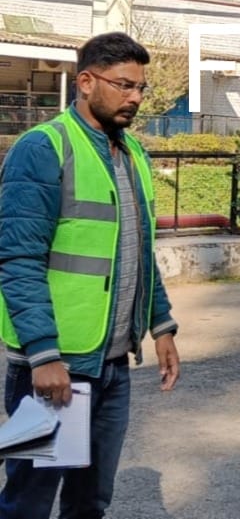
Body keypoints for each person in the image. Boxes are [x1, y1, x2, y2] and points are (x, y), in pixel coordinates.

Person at [0, 31, 181, 519]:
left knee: (90, 502)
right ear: (84, 82)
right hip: (56, 368)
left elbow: (139, 252)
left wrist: (161, 326)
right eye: (123, 85)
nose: (136, 98)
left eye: (140, 88)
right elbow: (17, 260)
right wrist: (43, 355)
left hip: (112, 366)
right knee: (29, 504)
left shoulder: (134, 155)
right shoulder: (43, 149)